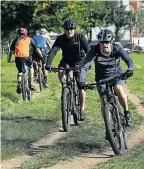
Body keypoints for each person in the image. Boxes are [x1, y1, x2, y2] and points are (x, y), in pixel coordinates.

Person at [79, 29, 134, 127]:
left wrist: (130, 69)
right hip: (101, 78)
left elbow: (129, 60)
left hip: (117, 75)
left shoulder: (117, 48)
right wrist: (82, 81)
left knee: (118, 89)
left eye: (107, 42)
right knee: (104, 101)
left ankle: (126, 112)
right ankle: (107, 127)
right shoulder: (94, 50)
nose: (105, 44)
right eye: (102, 42)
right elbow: (84, 67)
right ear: (99, 43)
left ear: (111, 42)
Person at [46, 19, 90, 120]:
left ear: (74, 29)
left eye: (71, 29)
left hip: (79, 62)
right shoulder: (60, 39)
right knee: (60, 72)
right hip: (66, 61)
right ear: (64, 30)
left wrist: (87, 64)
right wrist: (48, 64)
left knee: (81, 86)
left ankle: (82, 110)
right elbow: (53, 52)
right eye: (67, 29)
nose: (69, 31)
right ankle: (66, 89)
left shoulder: (80, 37)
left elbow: (89, 51)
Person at [8, 27, 43, 94]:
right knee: (31, 68)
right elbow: (37, 49)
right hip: (26, 57)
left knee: (20, 71)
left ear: (18, 33)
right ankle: (31, 83)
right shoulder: (29, 39)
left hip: (18, 57)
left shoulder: (15, 40)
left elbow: (11, 52)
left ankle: (19, 84)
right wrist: (41, 57)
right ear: (26, 33)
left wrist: (9, 60)